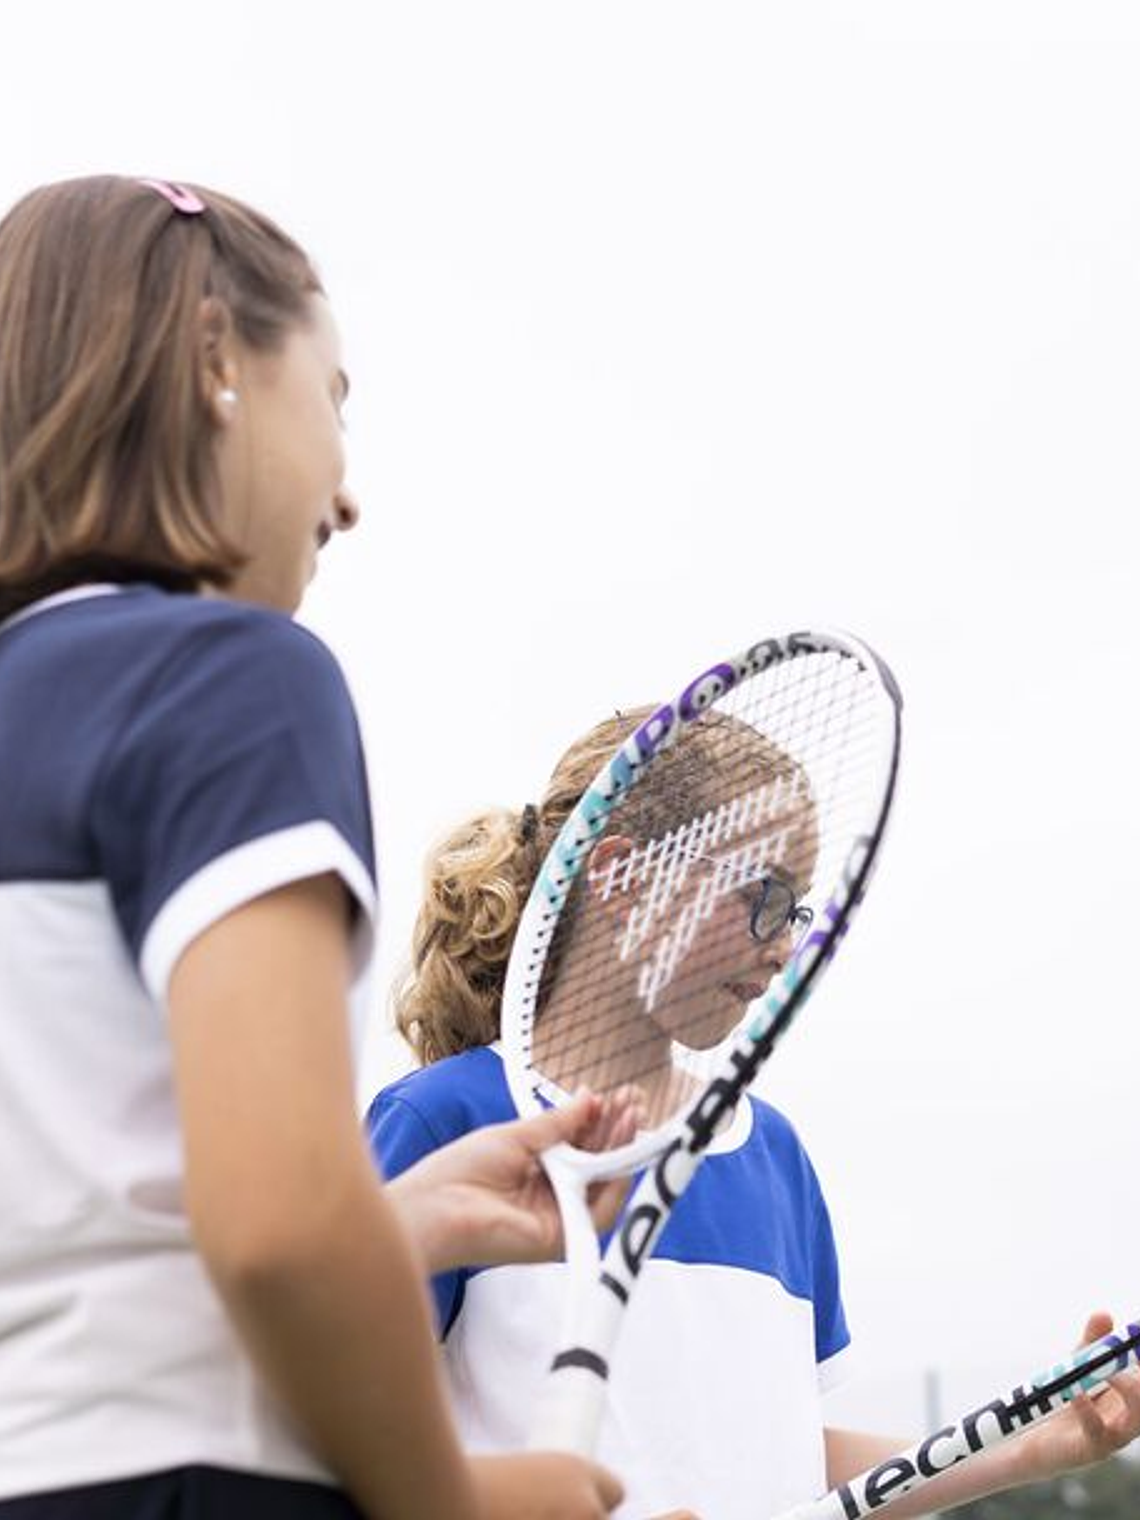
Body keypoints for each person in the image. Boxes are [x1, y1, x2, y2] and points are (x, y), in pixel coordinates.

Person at [0, 174, 632, 1520]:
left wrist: (407, 1218)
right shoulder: (232, 679)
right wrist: (454, 1498)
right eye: (334, 402)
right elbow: (279, 1231)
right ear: (219, 358)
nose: (345, 494)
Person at [367, 707, 1140, 1520]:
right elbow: (347, 1452)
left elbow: (792, 1454)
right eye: (764, 895)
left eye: (799, 910)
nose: (784, 945)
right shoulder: (442, 1125)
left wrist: (1031, 1447)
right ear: (626, 876)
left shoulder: (771, 1152)